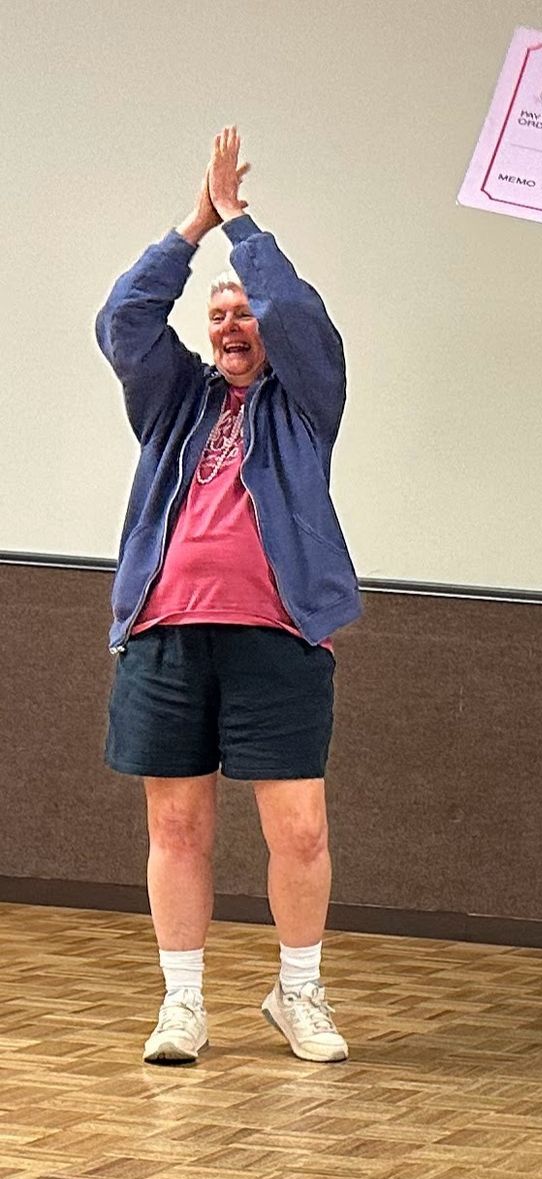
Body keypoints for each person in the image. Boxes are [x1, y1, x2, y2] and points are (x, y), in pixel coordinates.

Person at [97, 127, 359, 1065]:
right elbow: (124, 320)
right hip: (167, 635)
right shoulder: (176, 399)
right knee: (176, 824)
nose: (233, 324)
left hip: (278, 638)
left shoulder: (305, 402)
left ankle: (299, 992)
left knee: (300, 828)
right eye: (219, 314)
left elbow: (302, 316)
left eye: (244, 311)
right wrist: (193, 227)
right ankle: (182, 1004)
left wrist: (242, 228)